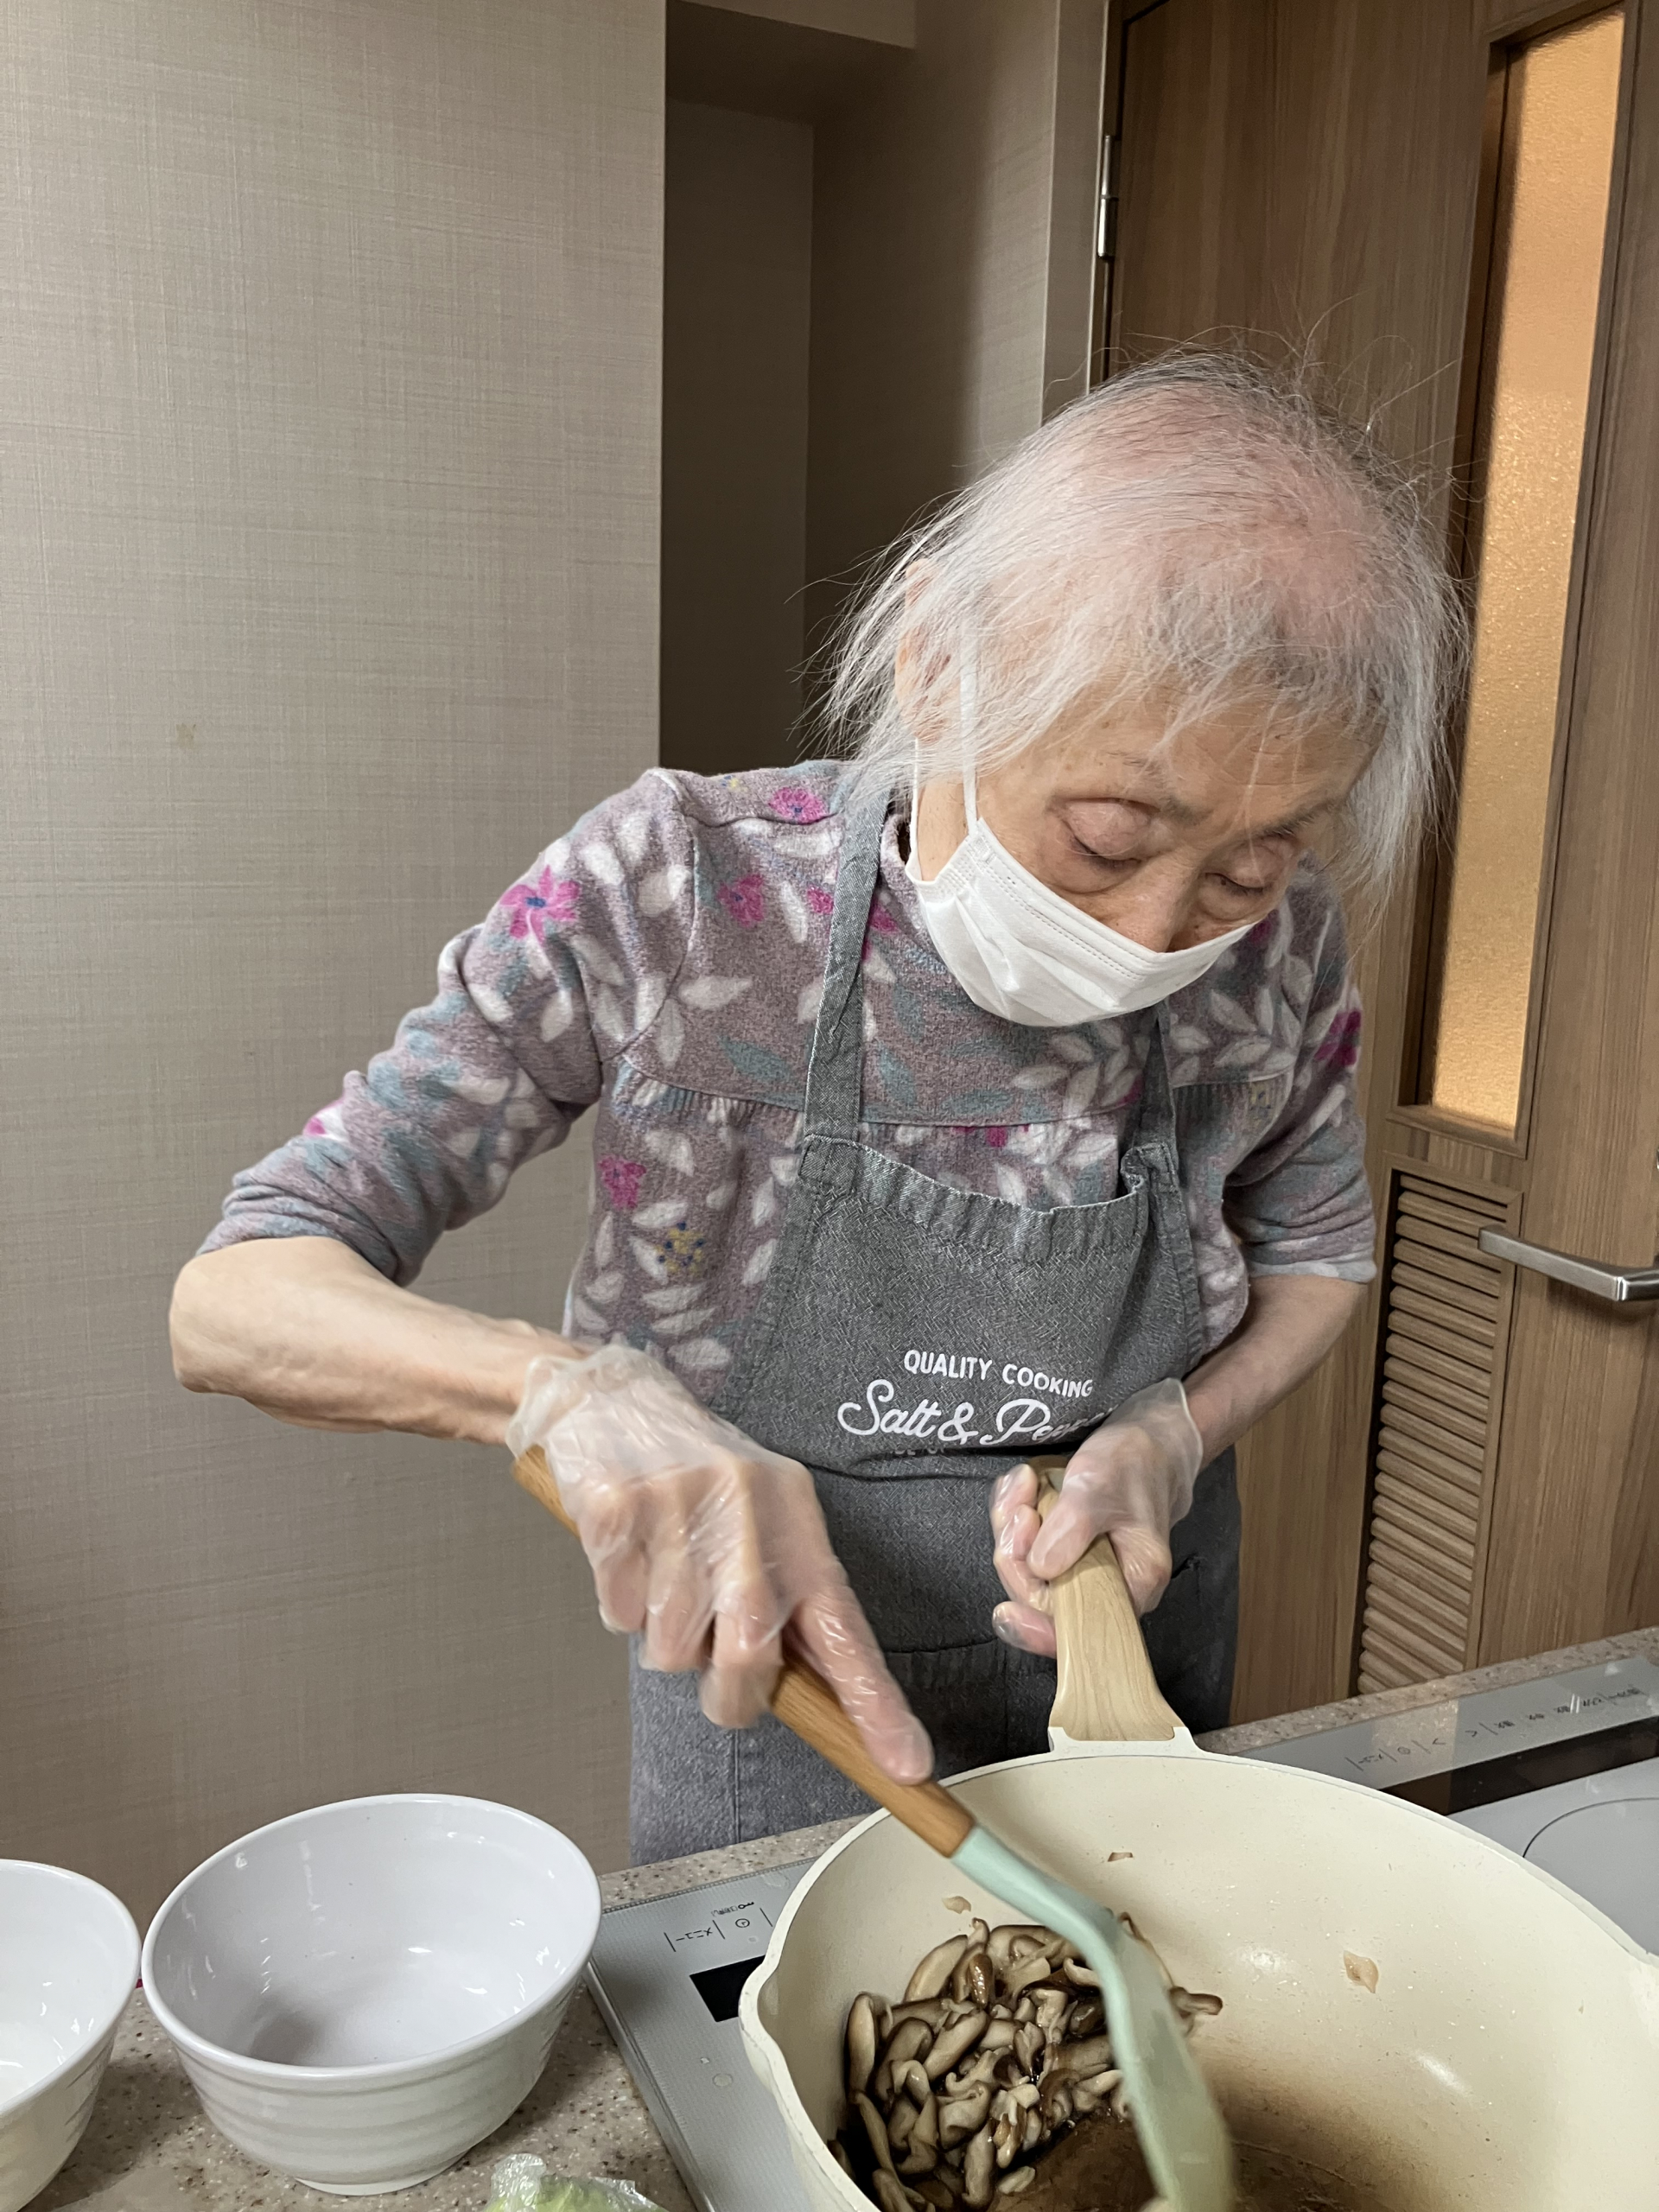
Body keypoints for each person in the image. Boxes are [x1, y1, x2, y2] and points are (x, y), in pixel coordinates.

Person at [170, 354, 1464, 1863]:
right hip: (783, 1696)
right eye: (1110, 838)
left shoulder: (1283, 946)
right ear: (937, 664)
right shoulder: (681, 896)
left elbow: (1317, 1256)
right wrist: (568, 1393)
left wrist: (1175, 1432)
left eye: (1247, 865)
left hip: (1133, 1669)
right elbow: (234, 1299)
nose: (1160, 930)